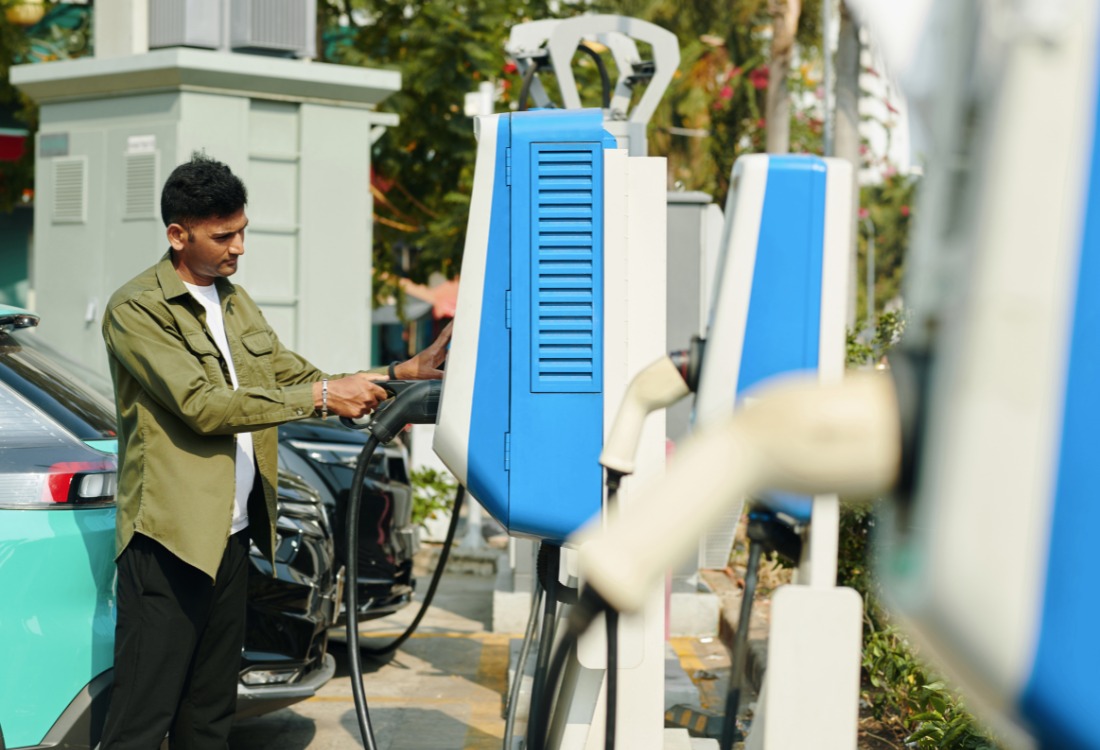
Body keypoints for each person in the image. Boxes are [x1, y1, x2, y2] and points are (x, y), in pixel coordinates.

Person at [98, 152, 450, 750]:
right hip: (170, 542)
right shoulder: (137, 309)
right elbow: (204, 405)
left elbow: (299, 377)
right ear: (178, 235)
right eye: (223, 236)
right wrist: (323, 395)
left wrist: (398, 374)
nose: (239, 247)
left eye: (242, 231)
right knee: (141, 719)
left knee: (209, 716)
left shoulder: (234, 302)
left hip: (234, 536)